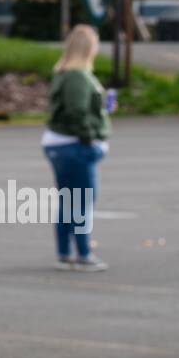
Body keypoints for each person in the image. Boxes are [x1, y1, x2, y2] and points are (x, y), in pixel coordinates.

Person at [42, 24, 112, 271]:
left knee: (68, 201)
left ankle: (64, 252)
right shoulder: (77, 77)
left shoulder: (63, 73)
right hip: (73, 145)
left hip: (58, 143)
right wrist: (91, 138)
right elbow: (77, 111)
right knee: (82, 202)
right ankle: (83, 254)